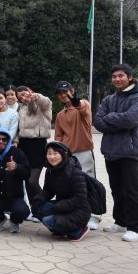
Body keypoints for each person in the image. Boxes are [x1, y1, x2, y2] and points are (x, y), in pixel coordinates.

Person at [94, 63, 138, 242]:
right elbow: (98, 122)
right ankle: (120, 221)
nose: (117, 79)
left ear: (129, 77)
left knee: (131, 190)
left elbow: (132, 119)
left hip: (129, 150)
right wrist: (118, 120)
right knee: (117, 189)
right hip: (110, 150)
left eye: (120, 76)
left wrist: (110, 118)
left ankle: (135, 227)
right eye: (114, 76)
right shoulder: (109, 99)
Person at [54, 80, 100, 229]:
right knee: (71, 186)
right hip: (68, 156)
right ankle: (76, 213)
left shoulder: (83, 105)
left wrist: (75, 100)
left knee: (89, 183)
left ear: (72, 91)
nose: (63, 95)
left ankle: (94, 216)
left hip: (84, 151)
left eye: (65, 91)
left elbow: (82, 106)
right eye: (60, 93)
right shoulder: (60, 115)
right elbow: (58, 137)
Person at [32, 141, 91, 242]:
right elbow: (48, 190)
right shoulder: (50, 170)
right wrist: (39, 199)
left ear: (64, 154)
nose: (52, 157)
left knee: (48, 220)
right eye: (49, 153)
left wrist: (60, 206)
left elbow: (80, 198)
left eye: (55, 153)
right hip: (62, 205)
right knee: (37, 209)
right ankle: (60, 230)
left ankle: (78, 230)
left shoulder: (74, 172)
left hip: (79, 210)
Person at [0, 128, 30, 233]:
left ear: (8, 141)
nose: (1, 141)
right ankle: (0, 219)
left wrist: (16, 167)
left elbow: (27, 174)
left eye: (4, 139)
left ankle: (15, 221)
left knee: (23, 211)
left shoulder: (17, 153)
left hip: (15, 197)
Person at [16, 85, 52, 215]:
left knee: (32, 181)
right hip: (23, 145)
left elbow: (46, 101)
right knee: (27, 180)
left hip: (38, 145)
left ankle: (46, 206)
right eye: (20, 97)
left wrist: (36, 96)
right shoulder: (20, 108)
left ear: (30, 92)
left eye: (25, 94)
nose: (23, 98)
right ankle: (35, 210)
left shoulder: (41, 105)